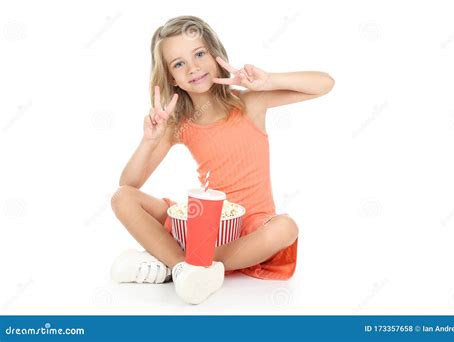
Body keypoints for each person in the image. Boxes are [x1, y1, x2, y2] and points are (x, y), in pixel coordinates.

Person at [110, 15, 335, 304]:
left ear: (216, 56)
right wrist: (149, 140)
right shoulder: (178, 125)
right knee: (121, 197)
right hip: (201, 222)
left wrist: (268, 81)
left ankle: (177, 263)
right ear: (171, 79)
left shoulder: (250, 103)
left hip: (249, 230)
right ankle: (183, 266)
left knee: (286, 228)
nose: (193, 68)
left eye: (200, 54)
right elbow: (129, 185)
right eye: (179, 64)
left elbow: (325, 84)